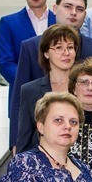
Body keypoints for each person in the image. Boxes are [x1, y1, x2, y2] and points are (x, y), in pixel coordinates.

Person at [10, 0, 92, 148]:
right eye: (68, 7)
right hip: (40, 149)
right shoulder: (30, 47)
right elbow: (19, 101)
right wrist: (14, 144)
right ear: (55, 8)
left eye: (79, 9)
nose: (73, 13)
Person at [16, 24, 80, 154]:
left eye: (70, 48)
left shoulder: (84, 86)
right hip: (42, 163)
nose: (66, 53)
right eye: (58, 48)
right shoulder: (30, 90)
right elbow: (25, 139)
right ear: (46, 53)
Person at [0, 0, 55, 86]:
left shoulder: (59, 22)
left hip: (57, 93)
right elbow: (5, 64)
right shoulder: (8, 23)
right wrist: (32, 84)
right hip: (22, 93)